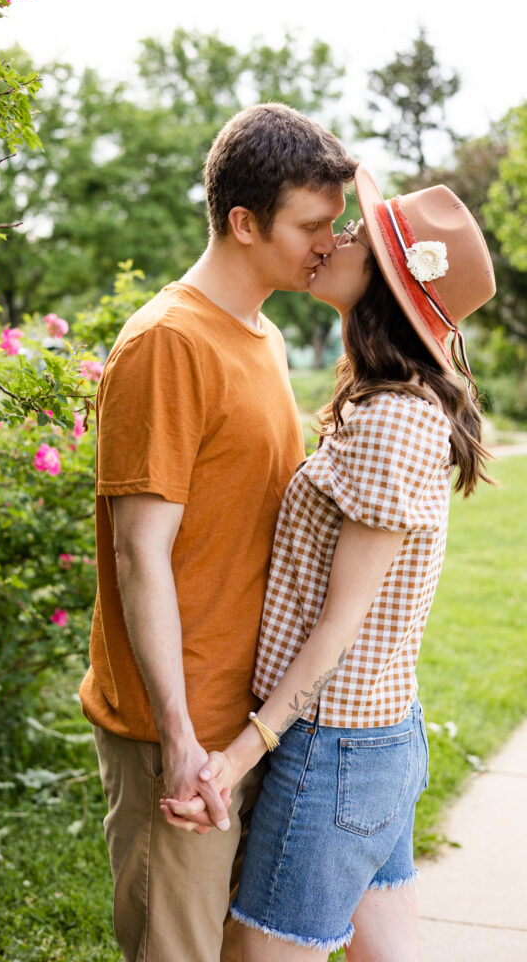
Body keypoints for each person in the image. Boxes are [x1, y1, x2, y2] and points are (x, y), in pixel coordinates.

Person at [163, 165, 496, 961]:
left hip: (335, 744)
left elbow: (338, 625)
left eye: (355, 235)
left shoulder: (394, 420)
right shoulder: (383, 400)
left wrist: (242, 751)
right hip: (375, 738)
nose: (335, 237)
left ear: (383, 278)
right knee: (387, 951)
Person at [78, 103, 358, 962]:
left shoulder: (264, 335)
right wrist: (180, 738)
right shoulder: (168, 342)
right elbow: (141, 555)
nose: (330, 243)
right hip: (182, 732)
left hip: (247, 724)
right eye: (313, 224)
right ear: (244, 222)